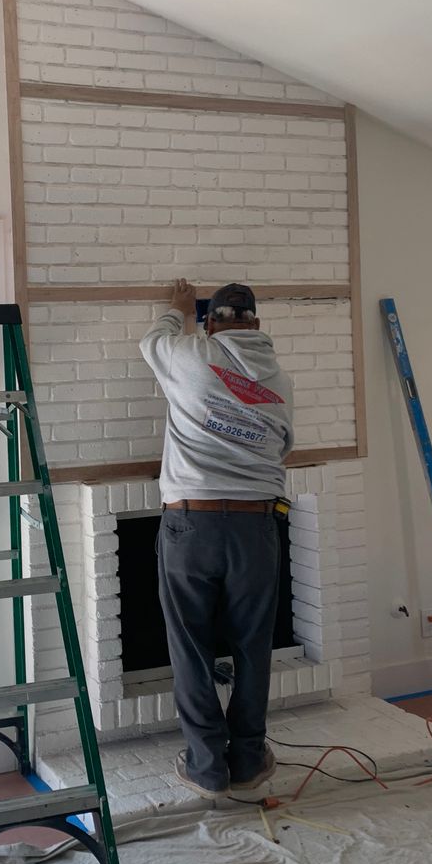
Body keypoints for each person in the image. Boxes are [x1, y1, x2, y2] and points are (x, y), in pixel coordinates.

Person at [140, 279, 294, 800]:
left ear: (212, 323)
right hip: (256, 525)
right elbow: (284, 446)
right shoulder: (279, 379)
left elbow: (151, 343)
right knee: (253, 646)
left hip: (193, 523)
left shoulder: (191, 353)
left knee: (191, 647)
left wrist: (177, 311)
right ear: (255, 323)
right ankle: (248, 761)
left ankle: (208, 767)